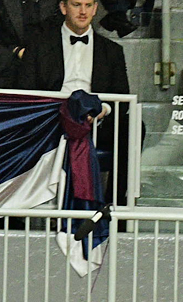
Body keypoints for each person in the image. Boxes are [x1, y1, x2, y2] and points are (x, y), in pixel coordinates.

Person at [18, 0, 132, 204]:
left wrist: (101, 110)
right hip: (51, 121)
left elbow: (122, 98)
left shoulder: (112, 50)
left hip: (97, 122)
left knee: (133, 128)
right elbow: (26, 92)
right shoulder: (39, 46)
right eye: (76, 4)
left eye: (89, 5)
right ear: (63, 8)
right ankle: (17, 205)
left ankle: (114, 205)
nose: (83, 11)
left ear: (96, 9)